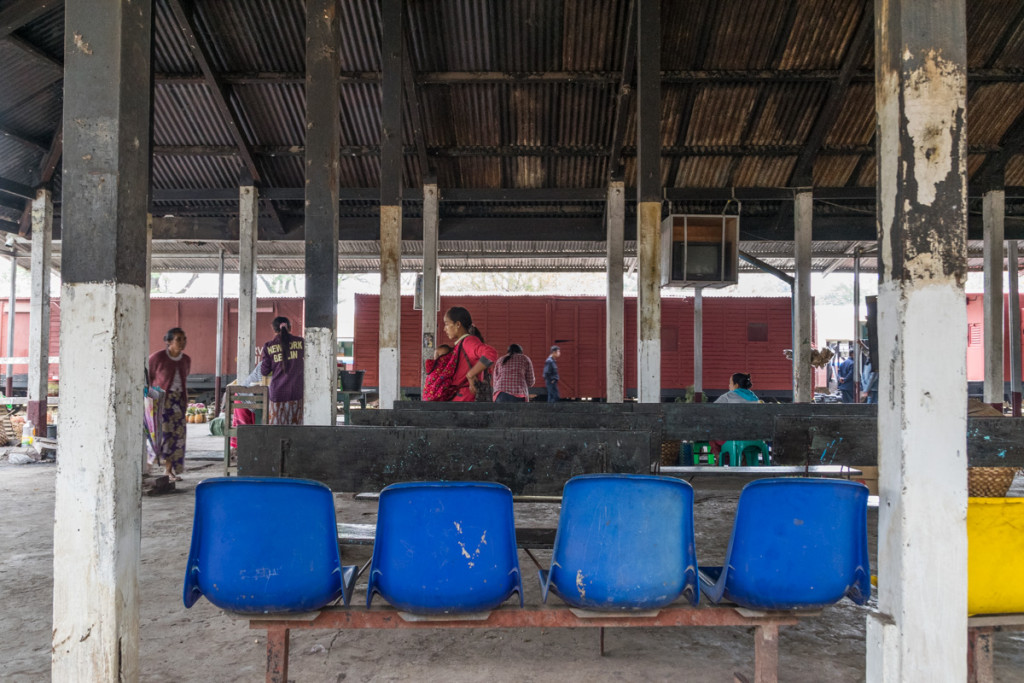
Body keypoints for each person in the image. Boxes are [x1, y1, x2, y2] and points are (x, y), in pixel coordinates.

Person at [148, 327, 190, 481]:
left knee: (177, 436)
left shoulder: (186, 360)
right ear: (168, 341)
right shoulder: (157, 358)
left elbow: (184, 381)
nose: (182, 342)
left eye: (184, 339)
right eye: (178, 339)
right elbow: (148, 378)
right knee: (163, 435)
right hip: (162, 402)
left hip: (178, 401)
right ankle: (152, 465)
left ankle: (169, 470)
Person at [442, 306, 497, 402]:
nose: (444, 329)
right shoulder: (461, 344)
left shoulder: (468, 341)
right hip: (460, 398)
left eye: (447, 324)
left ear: (458, 324)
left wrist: (470, 375)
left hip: (465, 400)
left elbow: (491, 353)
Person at [260, 316, 305, 424]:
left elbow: (264, 371)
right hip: (296, 392)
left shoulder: (269, 346)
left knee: (277, 431)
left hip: (277, 394)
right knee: (295, 429)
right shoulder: (301, 342)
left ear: (274, 329)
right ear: (290, 327)